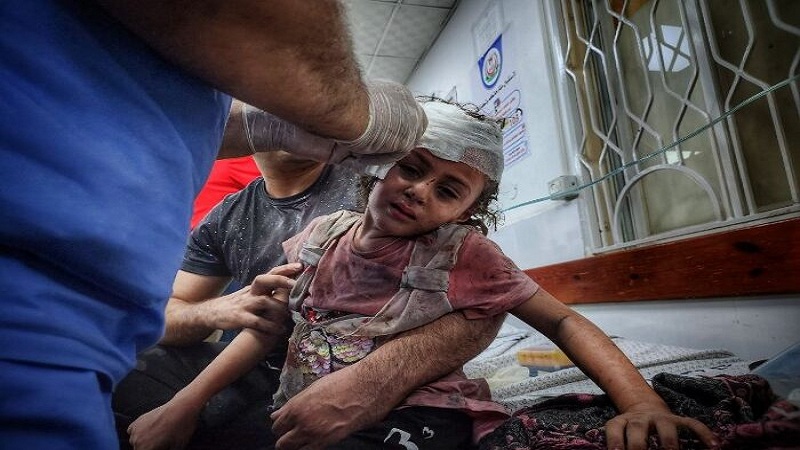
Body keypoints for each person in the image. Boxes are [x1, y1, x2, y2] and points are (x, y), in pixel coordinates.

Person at [127, 100, 719, 450]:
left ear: (466, 214)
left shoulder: (466, 255)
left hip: (420, 410)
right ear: (382, 166)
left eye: (449, 191)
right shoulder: (319, 235)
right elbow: (271, 325)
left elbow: (561, 320)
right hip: (297, 394)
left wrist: (640, 402)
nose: (419, 190)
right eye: (412, 168)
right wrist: (186, 402)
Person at [0, 0, 427, 448]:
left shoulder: (372, 195)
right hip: (49, 319)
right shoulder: (229, 215)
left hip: (63, 327)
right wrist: (215, 312)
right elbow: (183, 312)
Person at [113, 147, 501, 449]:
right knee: (121, 374)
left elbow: (490, 298)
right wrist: (215, 312)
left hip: (359, 372)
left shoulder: (380, 190)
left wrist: (372, 380)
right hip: (267, 362)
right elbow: (173, 314)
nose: (419, 190)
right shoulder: (231, 216)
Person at [190, 155, 261, 229]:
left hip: (196, 228)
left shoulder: (209, 158)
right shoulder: (235, 159)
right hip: (216, 229)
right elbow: (268, 178)